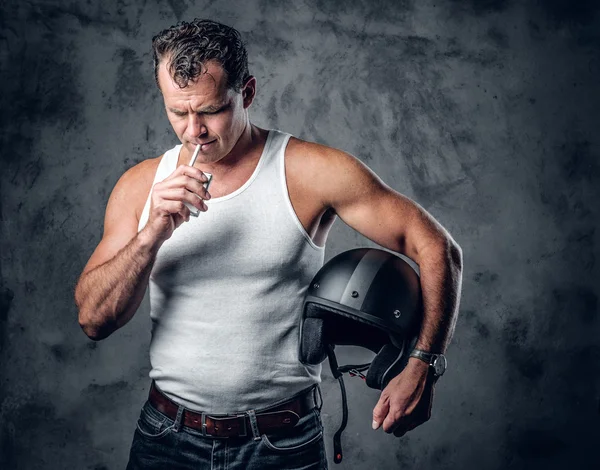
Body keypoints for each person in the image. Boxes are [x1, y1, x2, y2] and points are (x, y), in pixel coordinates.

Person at [74, 19, 463, 469]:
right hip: (167, 438)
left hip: (281, 442)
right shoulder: (141, 186)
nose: (193, 130)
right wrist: (152, 233)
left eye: (212, 110)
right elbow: (94, 321)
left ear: (248, 93)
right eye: (179, 112)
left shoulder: (308, 172)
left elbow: (438, 247)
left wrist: (423, 364)